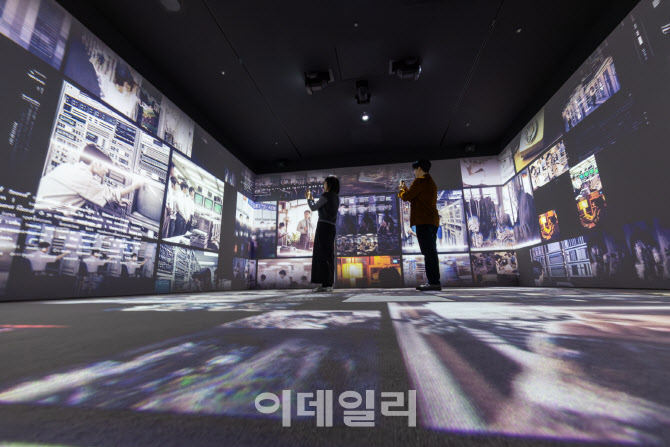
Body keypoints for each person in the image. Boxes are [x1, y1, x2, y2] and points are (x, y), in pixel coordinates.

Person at [35, 143, 144, 215]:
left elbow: (90, 193)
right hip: (38, 214)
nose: (107, 171)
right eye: (106, 167)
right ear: (96, 163)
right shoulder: (84, 178)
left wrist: (113, 199)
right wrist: (135, 185)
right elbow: (111, 193)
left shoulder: (67, 166)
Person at [399, 160, 441, 291]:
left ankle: (433, 282)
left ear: (419, 169)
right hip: (431, 221)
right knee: (431, 251)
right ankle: (434, 281)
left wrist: (401, 190)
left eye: (415, 170)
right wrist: (407, 190)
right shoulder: (429, 182)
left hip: (423, 221)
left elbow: (406, 197)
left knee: (428, 252)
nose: (414, 173)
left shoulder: (420, 181)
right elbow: (414, 197)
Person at [306, 176, 340, 292]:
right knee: (328, 255)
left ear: (329, 185)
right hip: (331, 227)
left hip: (323, 226)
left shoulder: (326, 195)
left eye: (325, 183)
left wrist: (309, 198)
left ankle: (325, 284)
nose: (323, 186)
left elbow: (313, 207)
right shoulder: (336, 197)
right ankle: (327, 284)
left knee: (321, 254)